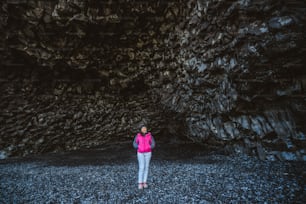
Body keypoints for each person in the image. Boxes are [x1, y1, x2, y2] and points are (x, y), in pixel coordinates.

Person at [133, 125, 155, 190]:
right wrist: (138, 147)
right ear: (141, 129)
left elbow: (153, 143)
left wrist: (149, 147)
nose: (144, 129)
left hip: (148, 153)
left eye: (145, 128)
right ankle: (140, 183)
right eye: (143, 129)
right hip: (140, 153)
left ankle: (144, 182)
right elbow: (134, 143)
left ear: (147, 129)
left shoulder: (150, 136)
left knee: (146, 167)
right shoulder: (138, 136)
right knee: (141, 167)